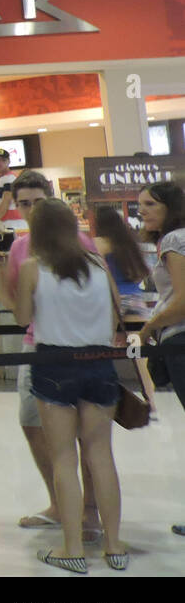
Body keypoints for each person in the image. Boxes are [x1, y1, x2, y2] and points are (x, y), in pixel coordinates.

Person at [13, 199, 128, 572]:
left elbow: (23, 319)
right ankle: (113, 545)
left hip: (53, 363)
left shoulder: (33, 268)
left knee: (63, 457)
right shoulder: (97, 265)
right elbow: (116, 317)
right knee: (101, 455)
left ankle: (72, 547)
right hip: (99, 362)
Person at [3, 171, 101, 534]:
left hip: (80, 350)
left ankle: (89, 509)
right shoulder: (19, 248)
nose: (30, 211)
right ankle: (60, 503)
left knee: (85, 434)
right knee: (32, 423)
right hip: (36, 345)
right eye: (23, 204)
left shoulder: (82, 243)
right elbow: (16, 302)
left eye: (37, 202)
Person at [135, 181, 185, 536]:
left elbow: (182, 300)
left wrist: (149, 326)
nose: (142, 210)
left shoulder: (173, 241)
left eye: (150, 204)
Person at [92, 205, 150, 297]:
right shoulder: (129, 243)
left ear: (98, 224)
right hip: (135, 296)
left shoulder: (99, 243)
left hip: (112, 297)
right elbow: (142, 273)